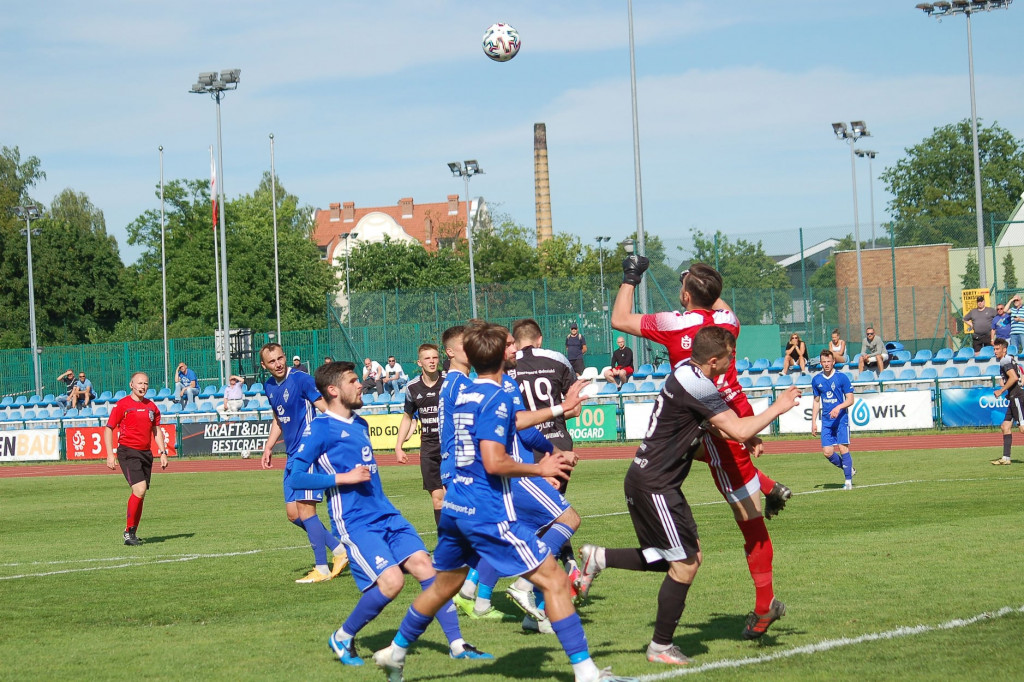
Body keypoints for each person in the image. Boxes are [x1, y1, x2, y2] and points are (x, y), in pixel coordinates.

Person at [372, 322, 635, 682]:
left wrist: (560, 409)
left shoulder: (463, 390)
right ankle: (587, 673)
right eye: (509, 345)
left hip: (456, 507)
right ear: (498, 355)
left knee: (444, 586)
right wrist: (539, 468)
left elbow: (515, 419)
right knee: (556, 581)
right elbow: (495, 461)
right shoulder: (494, 395)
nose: (514, 348)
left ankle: (395, 651)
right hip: (486, 509)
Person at [576, 327, 801, 665]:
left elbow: (712, 426)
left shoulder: (684, 372)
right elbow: (737, 427)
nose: (730, 365)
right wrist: (778, 406)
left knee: (685, 559)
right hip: (654, 486)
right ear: (713, 360)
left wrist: (741, 439)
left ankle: (600, 559)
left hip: (658, 484)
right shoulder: (699, 385)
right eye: (727, 359)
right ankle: (660, 647)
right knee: (683, 564)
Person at [611, 258, 792, 638]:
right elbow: (719, 305)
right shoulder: (729, 323)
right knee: (685, 455)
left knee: (751, 523)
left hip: (715, 424)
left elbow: (620, 319)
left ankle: (764, 607)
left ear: (685, 293)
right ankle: (769, 484)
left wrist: (631, 275)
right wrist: (704, 285)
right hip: (728, 410)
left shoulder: (674, 324)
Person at [285, 361, 493, 667]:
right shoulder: (320, 429)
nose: (361, 385)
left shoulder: (360, 424)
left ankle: (458, 645)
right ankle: (343, 636)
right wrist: (342, 479)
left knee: (428, 570)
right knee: (392, 582)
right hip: (356, 523)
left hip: (387, 515)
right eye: (353, 381)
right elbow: (296, 478)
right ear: (333, 390)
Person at [259, 343, 349, 583]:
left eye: (281, 358)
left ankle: (321, 568)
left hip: (307, 454)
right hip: (291, 456)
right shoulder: (269, 386)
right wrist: (269, 446)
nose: (278, 364)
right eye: (272, 361)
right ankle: (339, 550)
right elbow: (278, 419)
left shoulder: (302, 379)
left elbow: (325, 408)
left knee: (307, 510)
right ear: (264, 365)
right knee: (293, 514)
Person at [512, 318, 583, 492]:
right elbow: (575, 409)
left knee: (532, 509)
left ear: (514, 342)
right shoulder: (558, 359)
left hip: (524, 447)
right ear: (540, 339)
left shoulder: (507, 365)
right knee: (555, 504)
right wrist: (555, 412)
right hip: (558, 441)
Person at [104, 372, 169, 546]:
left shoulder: (152, 407)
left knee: (141, 494)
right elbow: (109, 428)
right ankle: (128, 532)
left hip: (145, 453)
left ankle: (132, 532)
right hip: (128, 451)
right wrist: (110, 455)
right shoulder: (122, 405)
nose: (143, 386)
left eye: (146, 383)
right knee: (139, 489)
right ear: (131, 384)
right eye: (139, 383)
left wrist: (163, 452)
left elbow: (156, 430)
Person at [395, 344, 445, 526]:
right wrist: (398, 446)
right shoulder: (412, 387)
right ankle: (446, 546)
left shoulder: (449, 382)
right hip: (429, 448)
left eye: (435, 357)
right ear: (419, 362)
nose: (432, 361)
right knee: (437, 498)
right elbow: (407, 417)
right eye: (427, 358)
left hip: (450, 446)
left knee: (453, 497)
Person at [811, 349, 856, 489]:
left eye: (829, 361)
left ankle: (848, 481)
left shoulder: (841, 377)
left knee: (843, 449)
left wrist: (838, 408)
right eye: (824, 362)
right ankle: (849, 469)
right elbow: (816, 401)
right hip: (826, 421)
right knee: (827, 452)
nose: (826, 364)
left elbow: (850, 399)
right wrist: (813, 422)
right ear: (820, 363)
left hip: (841, 419)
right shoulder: (816, 380)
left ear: (833, 361)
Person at [991, 337, 1023, 466]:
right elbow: (1019, 375)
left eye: (997, 349)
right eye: (994, 349)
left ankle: (1006, 458)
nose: (995, 351)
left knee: (1022, 429)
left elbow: (1014, 378)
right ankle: (1006, 458)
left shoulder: (1005, 360)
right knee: (1005, 426)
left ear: (1004, 349)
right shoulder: (1009, 358)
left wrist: (1001, 391)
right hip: (1013, 396)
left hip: (1016, 397)